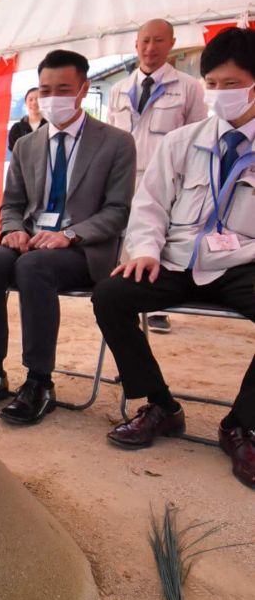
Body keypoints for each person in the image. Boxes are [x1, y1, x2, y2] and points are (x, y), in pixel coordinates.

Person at [92, 26, 255, 489]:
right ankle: (161, 405)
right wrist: (144, 250)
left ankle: (242, 425)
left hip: (242, 262)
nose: (221, 94)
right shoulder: (183, 141)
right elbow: (150, 204)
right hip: (178, 258)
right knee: (110, 295)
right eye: (213, 84)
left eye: (232, 84)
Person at [0, 49, 135, 425]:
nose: (51, 98)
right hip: (31, 243)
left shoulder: (117, 143)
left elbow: (118, 210)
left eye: (63, 88)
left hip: (81, 250)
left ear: (83, 90)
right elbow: (12, 204)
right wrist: (14, 230)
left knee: (34, 268)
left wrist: (71, 235)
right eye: (44, 89)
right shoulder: (26, 145)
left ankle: (39, 381)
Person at [107, 18, 207, 333]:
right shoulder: (118, 90)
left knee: (160, 236)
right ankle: (127, 300)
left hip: (168, 180)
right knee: (126, 238)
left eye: (159, 41)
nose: (151, 48)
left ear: (171, 43)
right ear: (136, 45)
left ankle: (156, 307)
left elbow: (197, 137)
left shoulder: (189, 88)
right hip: (125, 178)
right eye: (145, 41)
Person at [8, 87, 46, 152]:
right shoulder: (16, 129)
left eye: (38, 99)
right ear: (26, 103)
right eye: (30, 100)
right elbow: (14, 154)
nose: (34, 103)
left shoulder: (51, 126)